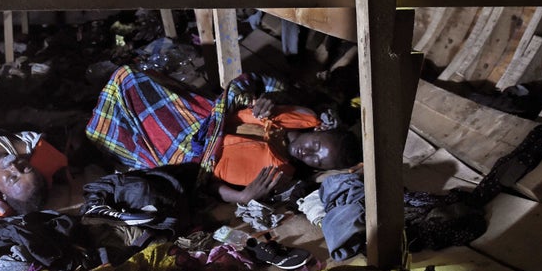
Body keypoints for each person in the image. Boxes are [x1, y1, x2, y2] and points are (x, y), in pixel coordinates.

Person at [85, 65, 361, 205]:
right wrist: (262, 99)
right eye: (315, 146)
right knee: (129, 77)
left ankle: (103, 131)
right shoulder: (295, 112)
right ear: (320, 130)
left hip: (189, 156)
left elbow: (208, 184)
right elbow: (249, 84)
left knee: (117, 141)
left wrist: (242, 197)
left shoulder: (279, 175)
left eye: (317, 161)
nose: (308, 154)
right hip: (202, 118)